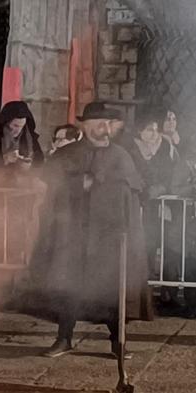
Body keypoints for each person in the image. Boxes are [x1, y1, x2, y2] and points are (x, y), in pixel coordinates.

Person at [29, 103, 152, 359]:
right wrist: (78, 184)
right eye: (97, 122)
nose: (103, 128)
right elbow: (49, 185)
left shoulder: (121, 156)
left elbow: (135, 190)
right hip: (73, 235)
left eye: (107, 123)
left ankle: (118, 342)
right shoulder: (66, 154)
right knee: (69, 287)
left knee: (111, 289)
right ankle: (64, 338)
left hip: (109, 236)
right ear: (84, 125)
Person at [129, 115, 179, 283]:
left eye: (156, 130)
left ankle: (161, 281)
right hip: (140, 202)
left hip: (159, 203)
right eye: (149, 130)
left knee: (159, 239)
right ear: (140, 131)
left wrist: (162, 187)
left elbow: (170, 173)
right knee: (141, 240)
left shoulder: (165, 147)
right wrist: (143, 189)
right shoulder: (132, 149)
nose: (154, 134)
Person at [168, 134, 196, 318]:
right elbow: (175, 189)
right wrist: (193, 188)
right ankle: (192, 304)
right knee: (191, 264)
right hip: (189, 223)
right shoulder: (185, 165)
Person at [0, 101, 44, 179]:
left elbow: (39, 161)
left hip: (24, 183)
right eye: (15, 126)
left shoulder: (30, 137)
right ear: (6, 122)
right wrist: (5, 159)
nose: (18, 130)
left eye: (22, 126)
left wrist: (29, 165)